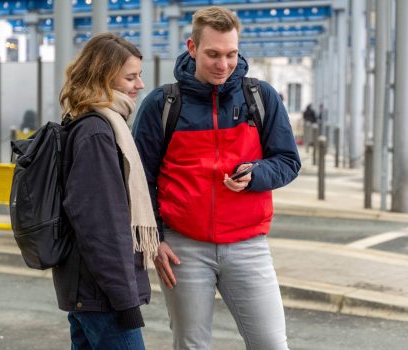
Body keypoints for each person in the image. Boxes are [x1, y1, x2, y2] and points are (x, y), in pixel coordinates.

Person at [132, 6, 300, 350]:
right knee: (192, 345)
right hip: (183, 247)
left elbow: (288, 161)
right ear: (192, 48)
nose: (224, 64)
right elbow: (139, 180)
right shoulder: (162, 104)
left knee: (271, 343)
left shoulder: (260, 96)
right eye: (213, 54)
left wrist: (256, 174)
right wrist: (155, 240)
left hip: (248, 245)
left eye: (231, 54)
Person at [55, 32, 157, 350]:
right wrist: (125, 302)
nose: (140, 84)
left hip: (90, 291)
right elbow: (102, 227)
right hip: (102, 296)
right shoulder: (98, 132)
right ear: (103, 77)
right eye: (131, 76)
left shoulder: (89, 122)